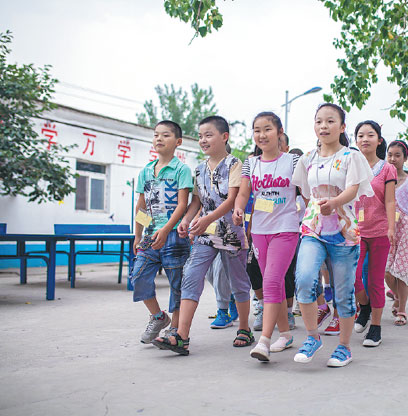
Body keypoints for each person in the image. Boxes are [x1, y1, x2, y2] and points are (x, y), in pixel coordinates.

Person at [152, 115, 253, 355]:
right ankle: (181, 335)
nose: (203, 140)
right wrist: (187, 220)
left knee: (238, 282)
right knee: (192, 275)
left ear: (224, 137)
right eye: (200, 136)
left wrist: (206, 219)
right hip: (205, 234)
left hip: (230, 233)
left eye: (208, 135)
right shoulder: (199, 169)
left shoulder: (234, 164)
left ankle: (245, 328)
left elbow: (231, 200)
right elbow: (196, 201)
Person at [292, 103, 374, 367]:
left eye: (329, 121)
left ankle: (344, 347)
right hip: (313, 228)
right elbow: (306, 192)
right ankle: (312, 337)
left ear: (342, 127)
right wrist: (319, 207)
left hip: (344, 231)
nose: (323, 126)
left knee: (343, 294)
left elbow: (353, 189)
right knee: (304, 279)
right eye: (318, 121)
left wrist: (335, 201)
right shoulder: (307, 159)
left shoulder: (352, 156)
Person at [233, 112, 299, 362]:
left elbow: (305, 190)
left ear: (279, 132)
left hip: (286, 228)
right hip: (259, 230)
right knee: (276, 284)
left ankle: (264, 341)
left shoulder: (292, 161)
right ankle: (285, 333)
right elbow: (243, 193)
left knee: (271, 281)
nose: (262, 134)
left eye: (267, 129)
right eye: (257, 130)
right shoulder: (251, 163)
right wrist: (240, 208)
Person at [130, 120, 193, 344]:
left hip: (174, 235)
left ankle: (174, 329)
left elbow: (182, 205)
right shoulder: (146, 172)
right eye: (156, 135)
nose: (159, 139)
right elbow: (142, 206)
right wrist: (138, 235)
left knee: (178, 283)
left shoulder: (182, 170)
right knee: (138, 276)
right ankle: (158, 317)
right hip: (150, 235)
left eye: (165, 135)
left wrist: (167, 230)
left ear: (178, 142)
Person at [352, 120, 397, 347]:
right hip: (355, 231)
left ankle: (376, 327)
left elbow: (390, 200)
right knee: (354, 276)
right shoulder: (350, 165)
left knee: (375, 281)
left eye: (370, 135)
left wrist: (391, 227)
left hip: (379, 231)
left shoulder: (387, 168)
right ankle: (365, 307)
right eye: (360, 135)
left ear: (379, 140)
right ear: (356, 140)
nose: (365, 139)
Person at [384, 140, 408, 326]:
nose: (393, 159)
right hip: (387, 229)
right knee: (386, 271)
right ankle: (398, 297)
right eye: (390, 154)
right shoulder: (382, 180)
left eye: (397, 155)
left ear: (405, 158)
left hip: (406, 230)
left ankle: (402, 310)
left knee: (401, 271)